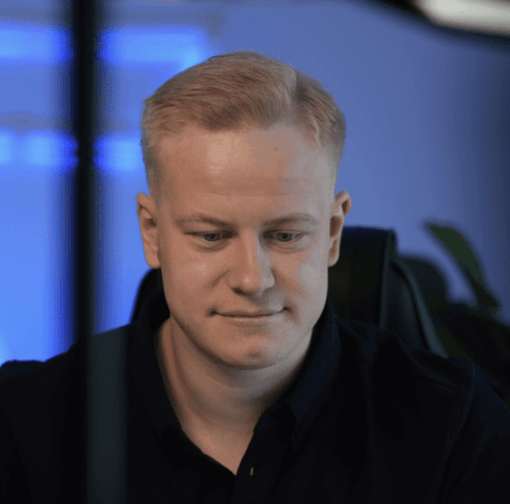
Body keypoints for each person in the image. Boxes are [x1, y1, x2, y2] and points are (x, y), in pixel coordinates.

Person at [1, 50, 510, 503]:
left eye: (286, 236)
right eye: (211, 235)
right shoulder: (22, 428)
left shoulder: (456, 429)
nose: (252, 279)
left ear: (333, 233)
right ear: (152, 233)